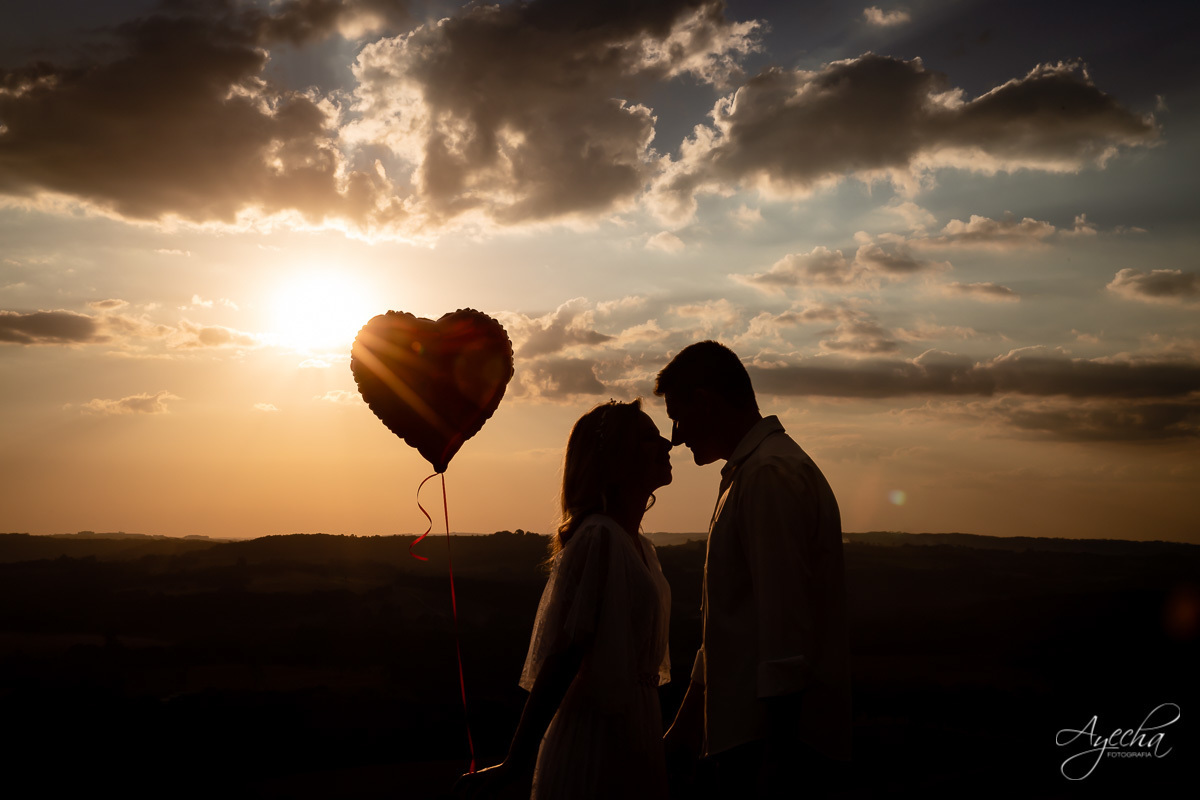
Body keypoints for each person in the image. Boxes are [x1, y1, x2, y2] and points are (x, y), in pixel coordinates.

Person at [657, 341, 851, 799]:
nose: (677, 436)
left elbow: (784, 631)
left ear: (705, 401)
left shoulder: (768, 475)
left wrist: (776, 761)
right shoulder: (751, 474)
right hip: (747, 743)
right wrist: (687, 729)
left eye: (677, 416)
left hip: (771, 749)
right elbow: (728, 630)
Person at [455, 399, 674, 800]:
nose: (667, 444)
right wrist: (515, 762)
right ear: (614, 458)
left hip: (637, 734)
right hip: (596, 740)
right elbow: (564, 656)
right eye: (649, 437)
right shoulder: (599, 539)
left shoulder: (642, 548)